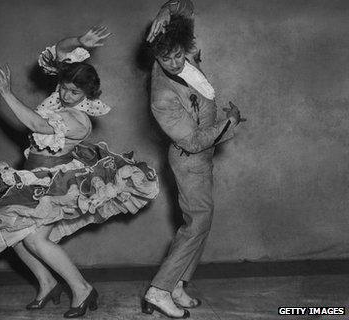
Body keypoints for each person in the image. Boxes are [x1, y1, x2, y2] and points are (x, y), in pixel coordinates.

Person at [0, 26, 159, 318]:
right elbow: (59, 52)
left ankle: (82, 289)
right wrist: (80, 42)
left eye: (74, 91)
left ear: (87, 94)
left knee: (34, 239)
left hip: (55, 184)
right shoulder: (58, 97)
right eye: (64, 87)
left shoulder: (78, 120)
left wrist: (6, 94)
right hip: (30, 177)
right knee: (13, 233)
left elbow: (36, 125)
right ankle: (47, 283)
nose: (66, 94)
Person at [142, 1, 246, 318]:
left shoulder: (182, 49)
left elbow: (186, 7)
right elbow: (192, 140)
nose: (174, 62)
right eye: (165, 58)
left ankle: (177, 284)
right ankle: (158, 291)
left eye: (178, 54)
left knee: (201, 221)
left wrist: (165, 10)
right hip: (189, 159)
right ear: (155, 57)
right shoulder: (162, 95)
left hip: (203, 160)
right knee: (196, 223)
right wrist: (231, 124)